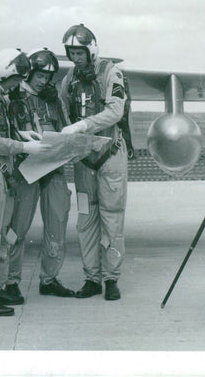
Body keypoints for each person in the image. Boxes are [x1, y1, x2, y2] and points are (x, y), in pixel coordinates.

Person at [0, 48, 51, 316]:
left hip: (3, 170)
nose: (18, 86)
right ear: (6, 74)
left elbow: (1, 129)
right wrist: (23, 148)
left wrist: (21, 135)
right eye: (16, 80)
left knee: (2, 235)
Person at [0, 49, 76, 305]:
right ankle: (10, 281)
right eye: (40, 75)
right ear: (29, 73)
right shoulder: (13, 97)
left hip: (53, 168)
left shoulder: (54, 100)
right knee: (17, 227)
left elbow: (66, 129)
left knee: (57, 223)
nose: (44, 81)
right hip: (24, 170)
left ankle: (50, 279)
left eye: (48, 77)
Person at [58, 24, 128, 301]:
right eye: (71, 53)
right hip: (84, 159)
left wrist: (83, 125)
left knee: (112, 218)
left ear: (91, 50)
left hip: (110, 155)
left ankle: (111, 279)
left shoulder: (112, 72)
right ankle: (91, 278)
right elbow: (63, 108)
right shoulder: (70, 78)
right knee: (86, 220)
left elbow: (116, 110)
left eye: (79, 52)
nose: (75, 58)